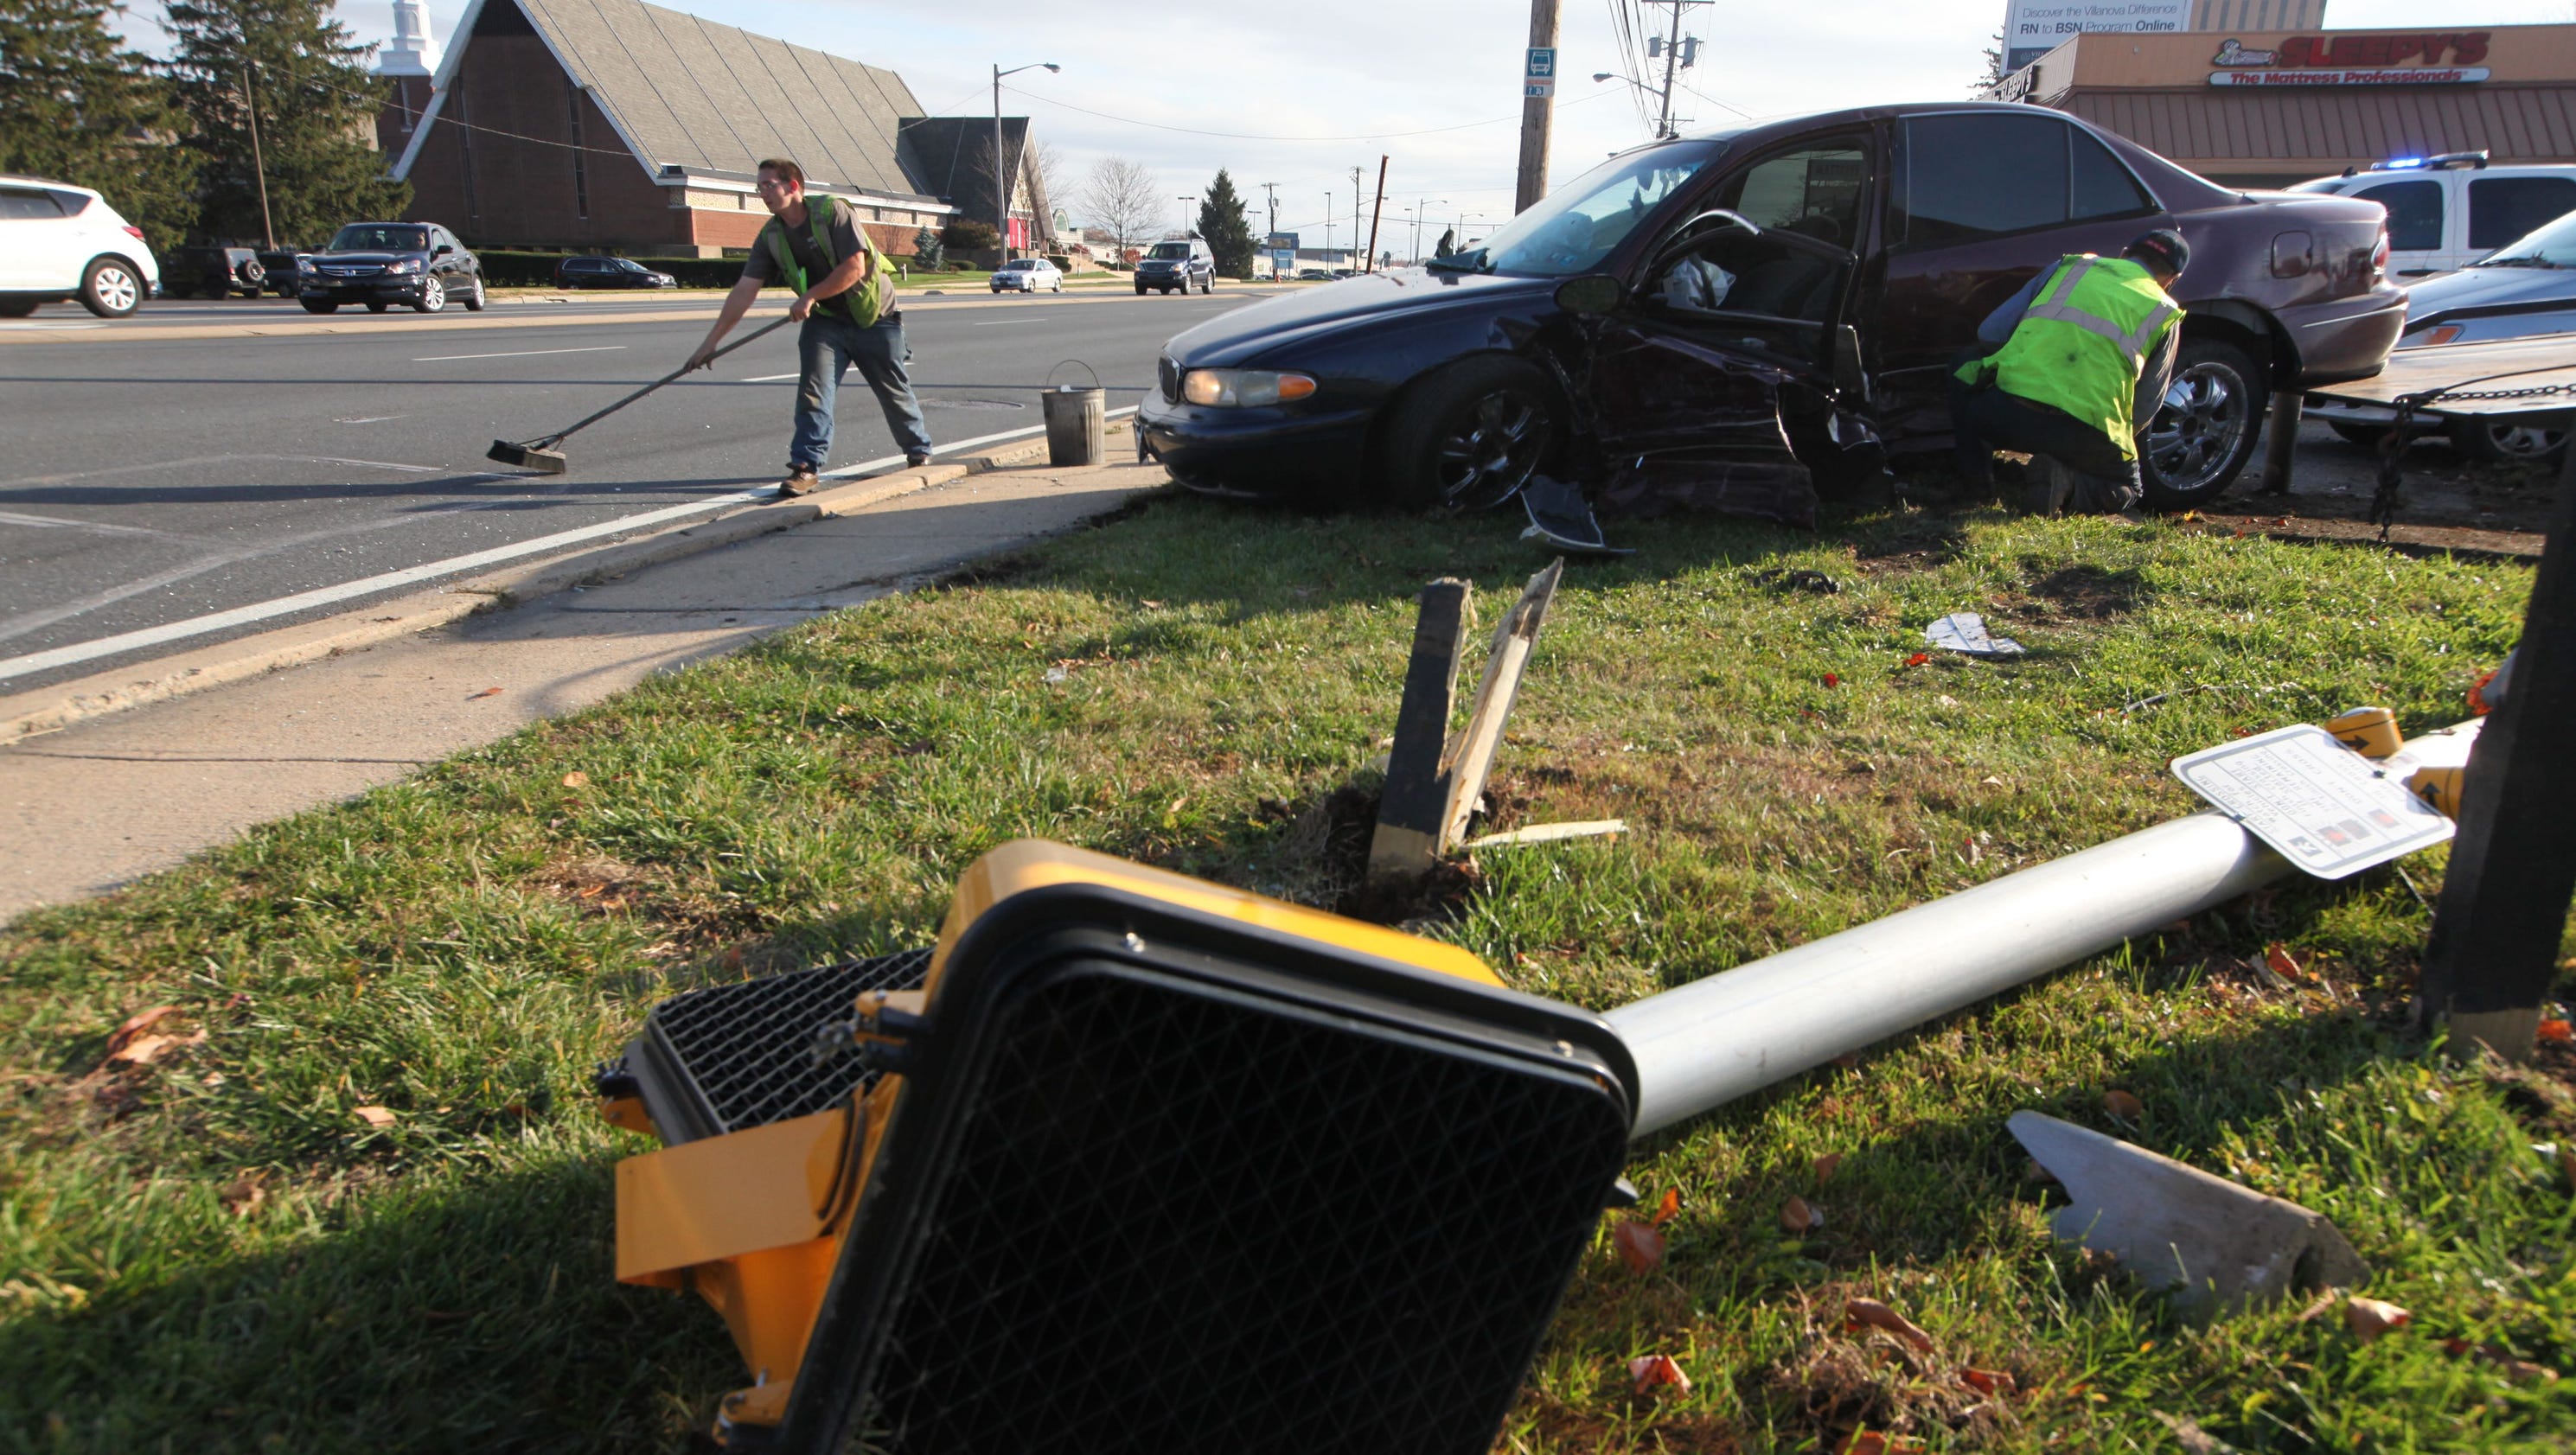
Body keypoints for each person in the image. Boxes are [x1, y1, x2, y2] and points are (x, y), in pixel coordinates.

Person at [687, 157, 932, 497]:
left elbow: (854, 268)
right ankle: (805, 467)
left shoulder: (833, 212)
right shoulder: (771, 236)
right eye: (758, 187)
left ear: (793, 186)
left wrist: (810, 296)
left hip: (874, 316)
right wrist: (710, 342)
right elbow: (745, 290)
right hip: (826, 323)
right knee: (814, 392)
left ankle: (918, 452)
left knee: (893, 392)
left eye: (768, 185)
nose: (762, 193)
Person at [1948, 228, 2188, 514]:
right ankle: (2066, 483)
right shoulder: (2164, 311)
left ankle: (1977, 486)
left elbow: (1990, 334)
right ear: (2172, 280)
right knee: (2128, 491)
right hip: (2088, 434)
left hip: (2008, 416)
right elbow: (2145, 407)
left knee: (1965, 364)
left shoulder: (2071, 268)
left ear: (2124, 253)